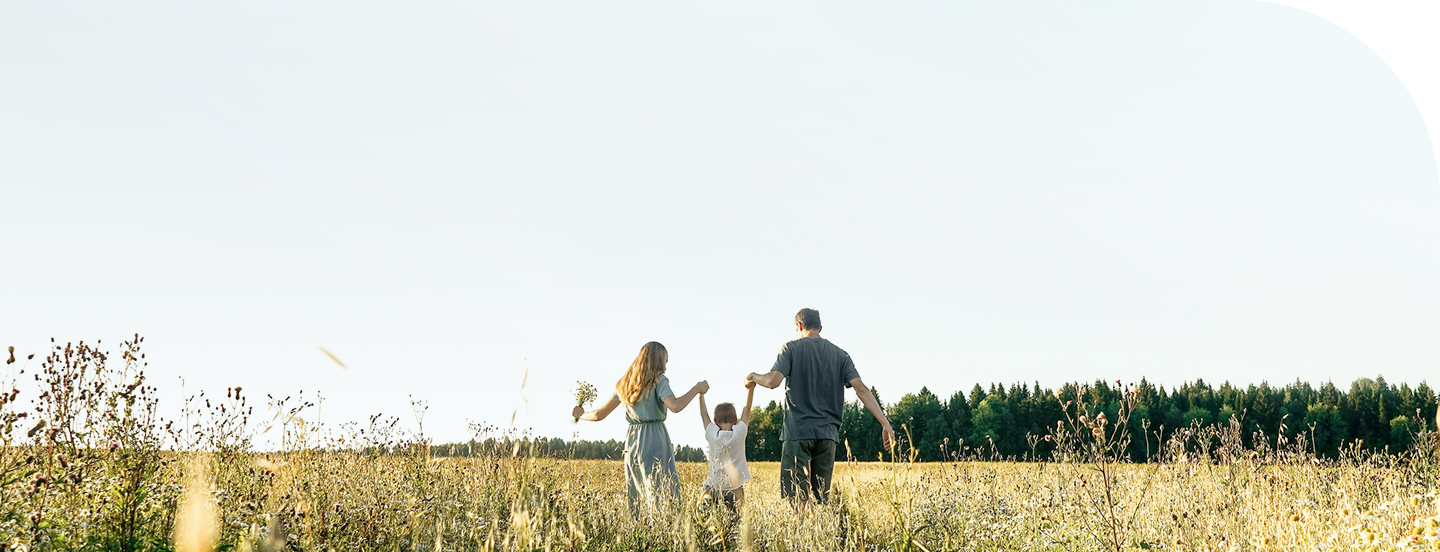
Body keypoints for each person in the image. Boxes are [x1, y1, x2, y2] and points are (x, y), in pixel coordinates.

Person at [746, 308, 894, 507]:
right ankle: (821, 534)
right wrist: (885, 424)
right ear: (820, 327)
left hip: (798, 433)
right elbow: (861, 389)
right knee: (821, 500)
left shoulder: (790, 348)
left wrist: (754, 377)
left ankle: (801, 535)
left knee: (797, 499)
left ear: (799, 326)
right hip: (828, 436)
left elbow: (773, 381)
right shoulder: (841, 355)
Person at [573, 342, 709, 514]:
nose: (666, 367)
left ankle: (640, 531)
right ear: (658, 361)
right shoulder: (659, 381)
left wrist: (580, 415)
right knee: (661, 492)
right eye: (665, 362)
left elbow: (599, 415)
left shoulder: (624, 384)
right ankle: (662, 533)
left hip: (632, 441)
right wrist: (696, 389)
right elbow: (675, 406)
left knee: (636, 490)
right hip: (655, 438)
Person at [698, 380, 755, 514]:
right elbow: (747, 409)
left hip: (713, 487)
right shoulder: (740, 432)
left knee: (708, 519)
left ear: (716, 422)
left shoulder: (713, 434)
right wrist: (751, 389)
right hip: (735, 488)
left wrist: (701, 394)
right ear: (735, 420)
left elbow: (704, 415)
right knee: (737, 522)